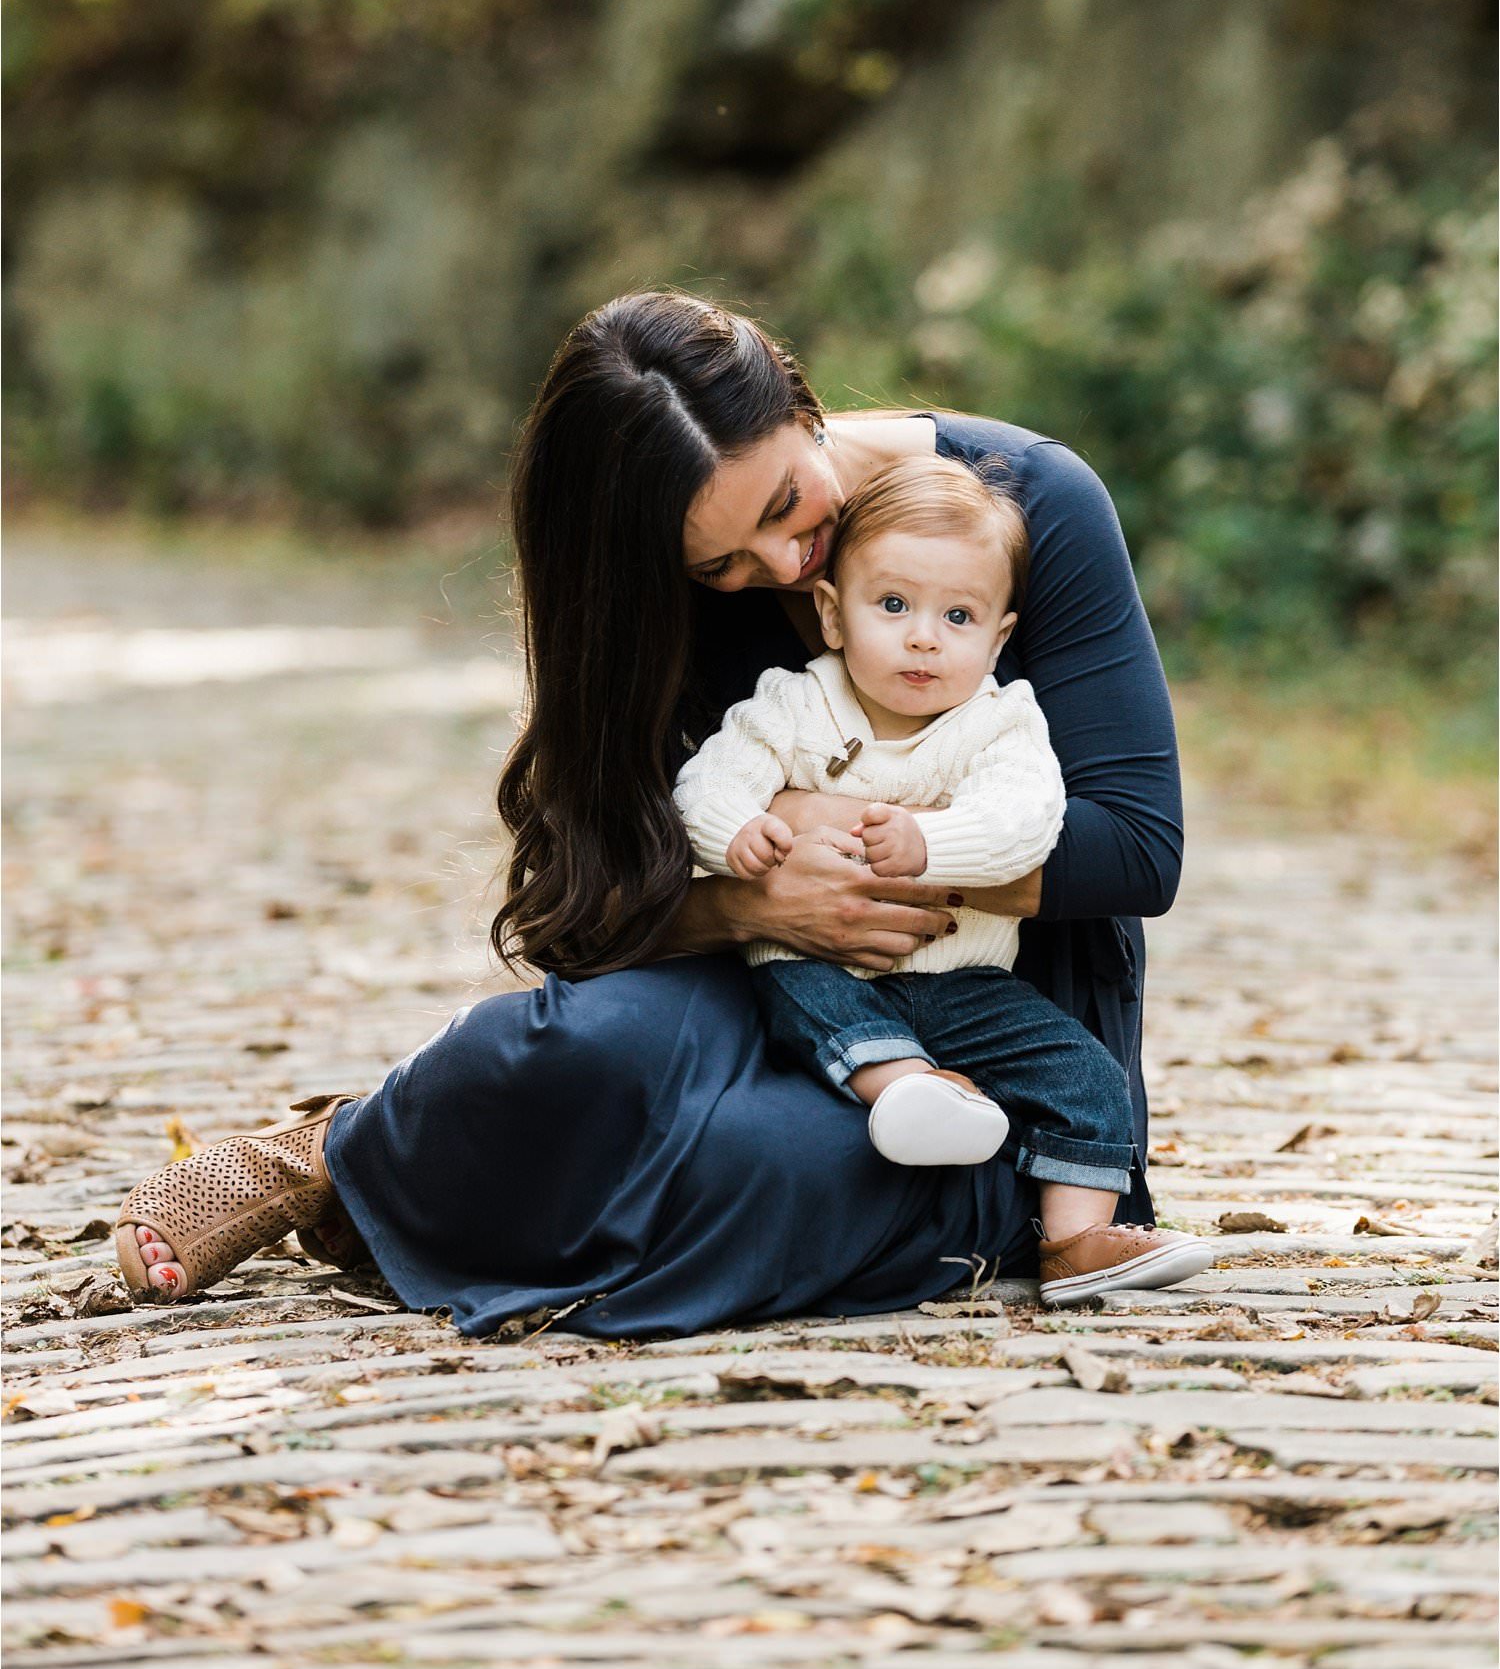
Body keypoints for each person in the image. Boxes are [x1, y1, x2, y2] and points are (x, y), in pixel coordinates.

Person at [116, 290, 1190, 1339]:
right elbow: (578, 914)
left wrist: (890, 853)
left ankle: (438, 1181)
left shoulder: (1027, 505)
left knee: (768, 1172)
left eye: (782, 506)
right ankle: (331, 1154)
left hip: (997, 1006)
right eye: (715, 564)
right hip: (766, 980)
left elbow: (1139, 849)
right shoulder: (649, 600)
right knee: (592, 1039)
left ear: (803, 407)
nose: (776, 564)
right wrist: (755, 900)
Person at [674, 454, 1211, 1305]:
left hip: (964, 982)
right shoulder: (791, 704)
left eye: (958, 615)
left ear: (998, 635)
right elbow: (710, 778)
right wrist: (736, 831)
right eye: (893, 605)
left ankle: (1075, 1241)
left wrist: (929, 843)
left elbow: (1026, 822)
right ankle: (906, 1090)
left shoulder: (1000, 722)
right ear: (833, 614)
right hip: (823, 969)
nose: (924, 635)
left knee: (1085, 1073)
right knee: (798, 991)